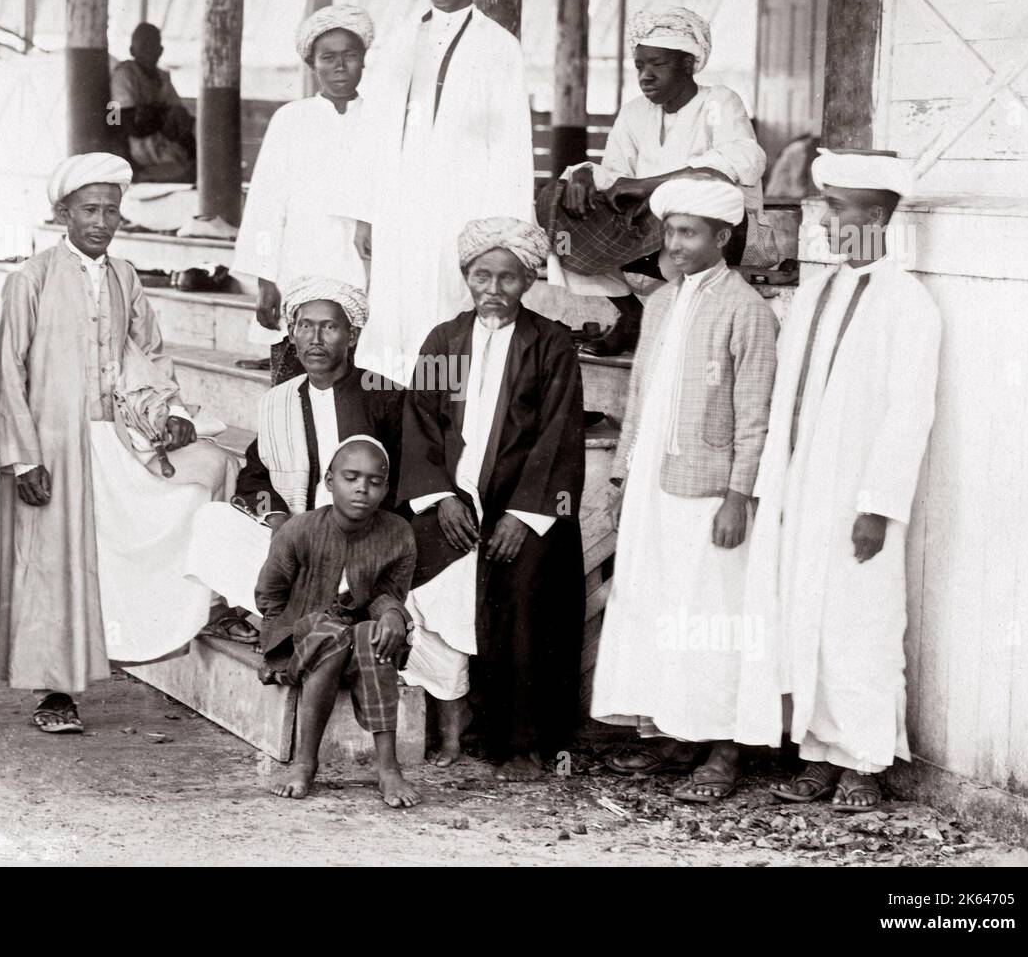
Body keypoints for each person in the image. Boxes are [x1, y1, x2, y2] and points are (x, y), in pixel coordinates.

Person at [0, 153, 239, 733]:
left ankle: (147, 637)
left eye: (111, 211)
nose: (101, 222)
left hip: (119, 438)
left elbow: (150, 354)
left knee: (196, 483)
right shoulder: (32, 279)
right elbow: (9, 374)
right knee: (53, 563)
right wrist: (23, 457)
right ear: (63, 213)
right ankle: (53, 694)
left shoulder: (125, 276)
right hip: (51, 445)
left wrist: (170, 412)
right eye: (89, 210)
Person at [734, 149, 940, 812]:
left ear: (875, 216)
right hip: (802, 491)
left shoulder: (907, 302)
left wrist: (878, 505)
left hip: (857, 496)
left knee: (861, 622)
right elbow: (787, 399)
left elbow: (909, 412)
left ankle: (866, 761)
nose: (826, 220)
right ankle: (820, 752)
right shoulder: (819, 291)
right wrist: (773, 487)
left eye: (838, 208)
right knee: (804, 617)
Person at [589, 177, 778, 803]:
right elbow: (640, 396)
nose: (675, 244)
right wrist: (622, 474)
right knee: (657, 605)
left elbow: (756, 416)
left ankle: (724, 748)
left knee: (711, 615)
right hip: (653, 482)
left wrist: (738, 495)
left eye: (689, 233)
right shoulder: (664, 302)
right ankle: (674, 733)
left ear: (723, 237)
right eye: (670, 232)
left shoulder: (746, 308)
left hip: (709, 491)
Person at [399, 218, 586, 780]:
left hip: (526, 508)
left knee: (526, 598)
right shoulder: (444, 340)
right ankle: (451, 722)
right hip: (454, 504)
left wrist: (526, 518)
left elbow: (559, 435)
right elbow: (420, 424)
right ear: (466, 276)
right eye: (483, 275)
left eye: (509, 277)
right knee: (421, 581)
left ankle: (525, 742)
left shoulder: (549, 342)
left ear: (528, 280)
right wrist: (438, 499)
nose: (494, 290)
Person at [355, 0, 535, 386]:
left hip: (464, 207)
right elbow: (373, 135)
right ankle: (400, 419)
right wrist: (365, 212)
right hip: (399, 208)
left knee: (452, 314)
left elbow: (513, 145)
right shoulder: (397, 44)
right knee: (396, 320)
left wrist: (504, 233)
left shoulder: (500, 48)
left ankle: (445, 421)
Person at [186, 277, 405, 641]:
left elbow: (401, 482)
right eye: (305, 326)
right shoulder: (280, 400)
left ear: (351, 337)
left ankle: (304, 616)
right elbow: (255, 475)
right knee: (213, 519)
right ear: (292, 334)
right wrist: (278, 520)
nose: (315, 339)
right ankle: (308, 614)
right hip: (293, 536)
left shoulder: (385, 395)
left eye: (329, 327)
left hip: (360, 540)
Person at [549, 6, 768, 357]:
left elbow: (739, 162)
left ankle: (675, 322)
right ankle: (633, 317)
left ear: (687, 63)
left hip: (720, 234)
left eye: (657, 64)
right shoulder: (635, 111)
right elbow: (615, 175)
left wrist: (647, 186)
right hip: (647, 232)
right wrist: (585, 173)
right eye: (640, 66)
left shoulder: (719, 102)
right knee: (559, 204)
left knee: (687, 206)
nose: (645, 76)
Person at [255, 436, 420, 808]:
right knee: (330, 635)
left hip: (357, 639)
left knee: (370, 634)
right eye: (351, 477)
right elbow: (269, 595)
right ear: (330, 482)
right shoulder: (299, 531)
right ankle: (304, 763)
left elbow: (388, 593)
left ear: (385, 489)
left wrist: (393, 614)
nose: (362, 488)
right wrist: (283, 637)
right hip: (301, 639)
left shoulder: (398, 534)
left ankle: (388, 768)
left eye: (374, 482)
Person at [233, 5, 376, 385]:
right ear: (312, 64)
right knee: (295, 377)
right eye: (328, 57)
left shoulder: (384, 118)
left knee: (358, 371)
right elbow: (266, 202)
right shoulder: (291, 119)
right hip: (300, 262)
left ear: (364, 60)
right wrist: (266, 280)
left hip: (362, 268)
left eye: (350, 56)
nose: (340, 66)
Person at [110, 22, 197, 182]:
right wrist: (162, 114)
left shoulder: (162, 77)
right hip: (139, 149)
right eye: (144, 46)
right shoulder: (124, 75)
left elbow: (178, 114)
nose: (149, 52)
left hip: (164, 145)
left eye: (153, 46)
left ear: (160, 51)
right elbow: (124, 123)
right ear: (132, 50)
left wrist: (155, 113)